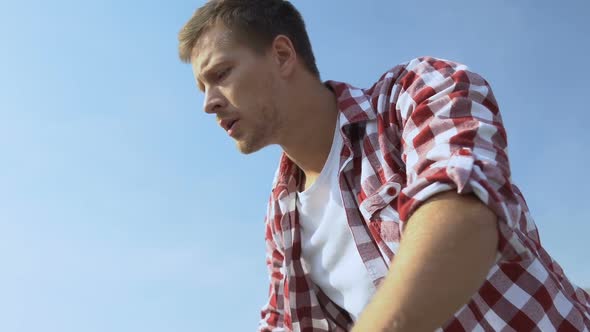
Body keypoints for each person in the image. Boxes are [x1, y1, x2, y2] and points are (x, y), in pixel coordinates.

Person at [178, 1, 590, 331]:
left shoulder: (413, 95)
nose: (208, 102)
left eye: (222, 74)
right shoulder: (281, 218)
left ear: (283, 55)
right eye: (202, 87)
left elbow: (466, 217)